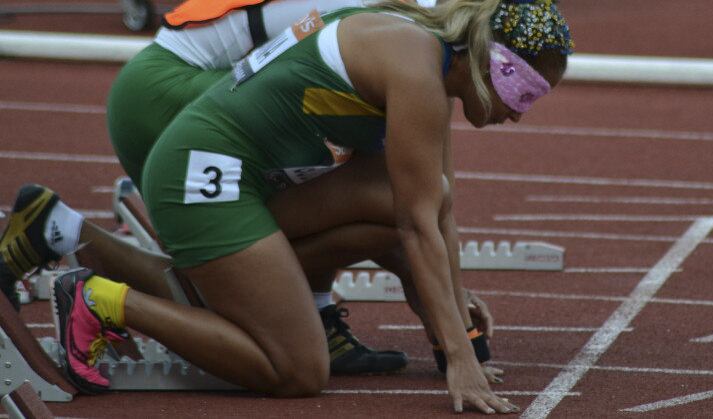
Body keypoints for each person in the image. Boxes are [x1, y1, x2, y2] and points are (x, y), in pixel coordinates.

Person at [51, 0, 573, 413]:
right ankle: (100, 301)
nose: (519, 115)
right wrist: (458, 356)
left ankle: (71, 234)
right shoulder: (415, 74)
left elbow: (433, 212)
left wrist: (453, 319)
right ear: (490, 61)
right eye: (524, 94)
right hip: (203, 173)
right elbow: (418, 227)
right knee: (298, 371)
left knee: (420, 194)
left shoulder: (420, 50)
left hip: (243, 174)